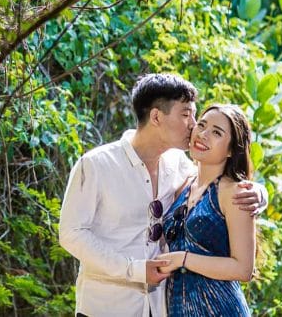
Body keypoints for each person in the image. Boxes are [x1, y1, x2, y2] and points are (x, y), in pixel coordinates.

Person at [59, 74, 266, 317]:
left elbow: (218, 185)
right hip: (107, 306)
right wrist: (133, 269)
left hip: (161, 308)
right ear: (156, 116)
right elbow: (71, 234)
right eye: (186, 114)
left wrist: (259, 194)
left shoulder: (177, 163)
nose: (193, 125)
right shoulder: (96, 165)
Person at [154, 104, 255, 316]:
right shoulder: (183, 184)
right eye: (202, 125)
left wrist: (183, 259)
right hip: (178, 309)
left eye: (217, 132)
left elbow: (244, 269)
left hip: (221, 308)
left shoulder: (235, 193)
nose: (203, 134)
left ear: (230, 150)